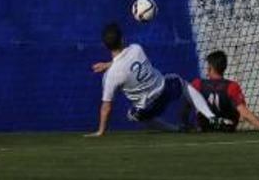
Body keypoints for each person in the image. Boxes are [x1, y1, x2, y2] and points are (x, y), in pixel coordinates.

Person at [87, 23, 216, 137]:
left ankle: (176, 129)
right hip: (165, 91)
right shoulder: (136, 49)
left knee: (133, 115)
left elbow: (106, 106)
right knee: (180, 82)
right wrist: (108, 64)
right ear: (122, 39)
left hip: (147, 108)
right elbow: (126, 61)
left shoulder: (111, 76)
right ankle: (211, 117)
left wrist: (101, 131)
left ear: (106, 45)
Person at [187, 50, 259, 134]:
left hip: (205, 128)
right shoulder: (231, 86)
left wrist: (186, 125)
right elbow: (244, 113)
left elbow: (186, 105)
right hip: (227, 129)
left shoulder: (197, 84)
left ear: (210, 68)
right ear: (224, 68)